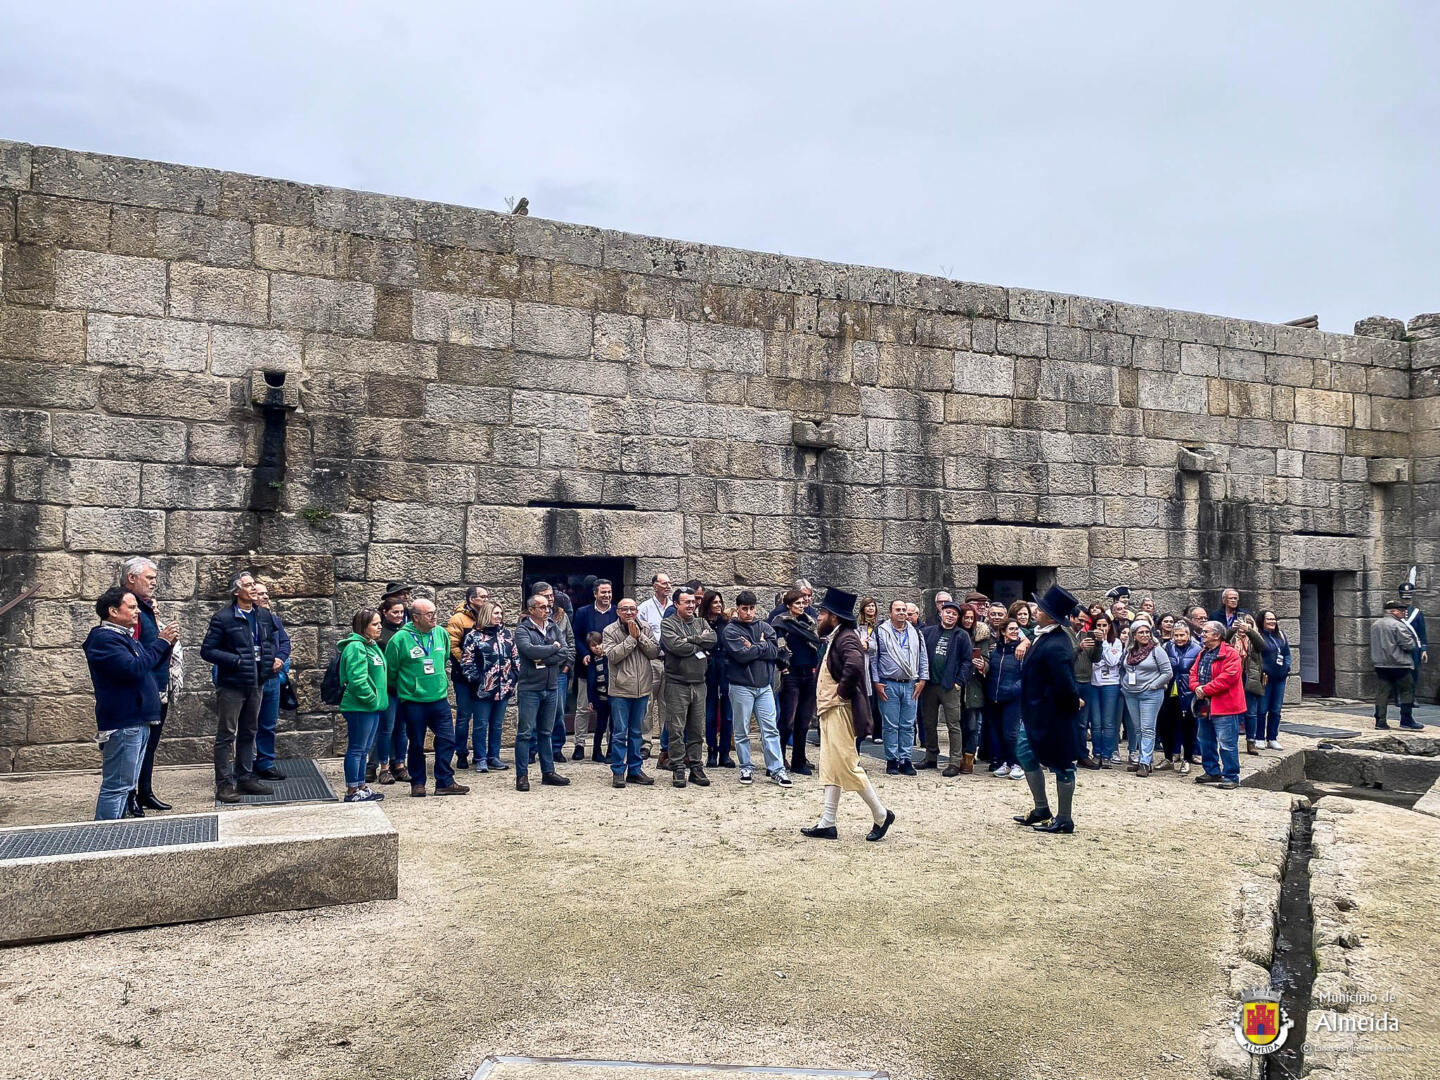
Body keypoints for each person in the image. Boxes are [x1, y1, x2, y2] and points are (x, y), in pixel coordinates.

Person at [800, 589, 896, 842]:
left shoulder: (846, 638)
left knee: (847, 765)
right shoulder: (839, 635)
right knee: (832, 766)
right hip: (832, 710)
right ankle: (827, 822)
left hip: (840, 710)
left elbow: (854, 665)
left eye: (822, 613)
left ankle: (881, 813)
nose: (818, 617)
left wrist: (841, 694)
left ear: (833, 616)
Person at [84, 586, 176, 820]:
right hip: (124, 722)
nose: (137, 612)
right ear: (113, 611)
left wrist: (167, 644)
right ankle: (105, 842)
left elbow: (150, 662)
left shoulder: (125, 638)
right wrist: (161, 642)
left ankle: (120, 839)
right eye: (132, 607)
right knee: (116, 787)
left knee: (125, 787)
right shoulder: (104, 639)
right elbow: (133, 668)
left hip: (138, 720)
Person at [1012, 585, 1084, 834]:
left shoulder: (1057, 645)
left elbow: (1065, 686)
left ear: (1050, 616)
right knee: (1024, 752)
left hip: (1053, 715)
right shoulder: (1044, 635)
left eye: (1039, 608)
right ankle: (1041, 808)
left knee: (1062, 763)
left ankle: (1065, 818)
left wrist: (1069, 708)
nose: (1035, 610)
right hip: (1036, 712)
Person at [200, 571, 277, 802]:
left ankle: (245, 778)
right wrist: (235, 660)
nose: (254, 589)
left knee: (250, 731)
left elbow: (270, 641)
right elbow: (207, 650)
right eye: (248, 585)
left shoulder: (263, 615)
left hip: (256, 681)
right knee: (227, 734)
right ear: (236, 591)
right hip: (232, 683)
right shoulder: (223, 618)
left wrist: (268, 659)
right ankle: (224, 784)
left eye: (254, 584)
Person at [384, 597, 469, 798]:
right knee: (416, 744)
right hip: (413, 702)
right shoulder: (399, 639)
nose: (434, 617)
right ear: (415, 617)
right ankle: (418, 783)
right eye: (429, 614)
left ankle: (444, 781)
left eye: (434, 612)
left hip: (439, 699)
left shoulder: (440, 633)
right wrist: (409, 687)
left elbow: (445, 657)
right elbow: (391, 671)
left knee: (448, 740)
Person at [120, 556, 179, 814]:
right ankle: (130, 796)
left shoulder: (146, 608)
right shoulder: (126, 608)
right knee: (137, 744)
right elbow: (133, 649)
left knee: (150, 744)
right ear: (131, 578)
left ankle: (145, 791)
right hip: (143, 686)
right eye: (149, 578)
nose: (154, 583)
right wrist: (163, 640)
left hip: (157, 683)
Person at [722, 591, 790, 786]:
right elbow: (741, 655)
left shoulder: (765, 627)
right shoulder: (731, 630)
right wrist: (761, 646)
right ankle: (746, 766)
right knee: (742, 729)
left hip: (763, 686)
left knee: (770, 729)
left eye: (752, 608)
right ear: (738, 609)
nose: (749, 613)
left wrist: (755, 646)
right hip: (741, 685)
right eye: (745, 609)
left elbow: (774, 651)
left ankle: (777, 768)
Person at [512, 592, 571, 789]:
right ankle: (522, 775)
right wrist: (552, 649)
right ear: (531, 610)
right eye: (542, 607)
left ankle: (548, 772)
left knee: (546, 731)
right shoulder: (523, 629)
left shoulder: (553, 627)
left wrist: (546, 655)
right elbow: (528, 651)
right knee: (525, 732)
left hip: (551, 686)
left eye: (548, 607)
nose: (547, 610)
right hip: (530, 688)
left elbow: (564, 651)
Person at [660, 587, 717, 788]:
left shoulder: (702, 622)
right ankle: (677, 767)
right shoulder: (668, 623)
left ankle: (695, 766)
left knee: (696, 728)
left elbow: (712, 640)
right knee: (676, 729)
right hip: (677, 683)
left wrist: (692, 640)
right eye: (687, 602)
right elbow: (675, 646)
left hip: (699, 684)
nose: (692, 605)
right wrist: (699, 644)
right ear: (676, 604)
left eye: (693, 602)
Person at [601, 597, 660, 787]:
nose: (629, 613)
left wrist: (640, 636)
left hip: (642, 689)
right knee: (619, 733)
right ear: (617, 611)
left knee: (637, 732)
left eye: (632, 609)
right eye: (624, 609)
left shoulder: (645, 627)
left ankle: (635, 769)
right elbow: (613, 655)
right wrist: (631, 639)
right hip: (620, 690)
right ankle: (618, 770)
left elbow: (654, 652)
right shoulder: (609, 630)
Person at [870, 599, 928, 775]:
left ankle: (906, 759)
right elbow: (873, 658)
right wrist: (876, 682)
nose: (902, 612)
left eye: (904, 610)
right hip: (888, 683)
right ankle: (891, 759)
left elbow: (923, 657)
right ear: (890, 613)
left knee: (908, 725)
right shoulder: (881, 632)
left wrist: (923, 680)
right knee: (890, 725)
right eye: (898, 610)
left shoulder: (916, 633)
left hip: (910, 684)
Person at [459, 599, 517, 772]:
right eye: (496, 613)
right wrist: (476, 679)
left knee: (497, 724)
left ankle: (494, 756)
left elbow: (516, 658)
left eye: (501, 613)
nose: (499, 616)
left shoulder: (506, 634)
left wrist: (513, 677)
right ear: (486, 614)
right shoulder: (473, 636)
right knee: (480, 724)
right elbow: (466, 661)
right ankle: (480, 757)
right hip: (482, 689)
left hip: (504, 687)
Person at [337, 609, 387, 803]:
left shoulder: (371, 645)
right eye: (375, 624)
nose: (379, 627)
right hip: (360, 707)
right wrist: (371, 698)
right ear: (362, 626)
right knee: (357, 749)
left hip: (372, 707)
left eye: (379, 623)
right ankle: (352, 790)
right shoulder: (356, 647)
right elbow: (357, 680)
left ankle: (361, 786)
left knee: (364, 749)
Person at [1190, 621, 1246, 789]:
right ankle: (1212, 771)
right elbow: (1193, 673)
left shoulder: (1231, 654)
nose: (1202, 634)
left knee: (1227, 742)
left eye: (1206, 632)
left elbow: (1228, 678)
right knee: (1205, 740)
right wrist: (1196, 687)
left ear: (1217, 635)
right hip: (1204, 705)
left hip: (1225, 706)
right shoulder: (1203, 653)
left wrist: (1204, 689)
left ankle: (1231, 776)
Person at [773, 588, 822, 775]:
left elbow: (815, 642)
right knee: (787, 720)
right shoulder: (781, 622)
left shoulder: (809, 622)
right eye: (797, 603)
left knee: (804, 720)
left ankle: (799, 761)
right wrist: (782, 666)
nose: (802, 606)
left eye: (803, 603)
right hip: (790, 673)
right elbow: (778, 646)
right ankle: (778, 759)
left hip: (807, 672)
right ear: (788, 605)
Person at [921, 601, 974, 775]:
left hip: (950, 686)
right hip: (929, 685)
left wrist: (959, 681)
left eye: (954, 613)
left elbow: (967, 661)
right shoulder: (928, 632)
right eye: (947, 612)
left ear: (957, 617)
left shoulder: (961, 635)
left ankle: (954, 761)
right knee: (929, 723)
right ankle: (930, 757)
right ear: (941, 614)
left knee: (953, 725)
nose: (950, 615)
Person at [529, 581, 577, 764]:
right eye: (546, 596)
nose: (550, 599)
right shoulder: (527, 620)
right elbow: (531, 650)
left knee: (557, 713)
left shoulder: (561, 615)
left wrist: (567, 665)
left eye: (551, 595)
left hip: (559, 672)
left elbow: (569, 643)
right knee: (534, 713)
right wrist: (549, 653)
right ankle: (532, 749)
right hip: (537, 672)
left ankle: (556, 748)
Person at [1118, 620, 1172, 777]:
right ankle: (1143, 757)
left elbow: (1167, 672)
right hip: (1131, 693)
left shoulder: (1157, 651)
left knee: (1148, 728)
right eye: (1140, 632)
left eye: (1147, 632)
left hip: (1150, 694)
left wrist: (1154, 685)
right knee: (1138, 728)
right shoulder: (1129, 651)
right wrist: (1124, 683)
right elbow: (1123, 669)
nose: (1144, 635)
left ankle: (1145, 762)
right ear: (1133, 635)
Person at [573, 578, 618, 761]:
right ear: (595, 594)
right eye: (603, 592)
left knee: (611, 712)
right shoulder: (583, 612)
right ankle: (579, 744)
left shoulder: (617, 612)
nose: (606, 595)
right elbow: (575, 636)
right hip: (588, 668)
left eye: (609, 592)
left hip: (611, 670)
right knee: (583, 708)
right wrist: (584, 653)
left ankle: (609, 747)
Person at [251, 582, 291, 783]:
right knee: (247, 724)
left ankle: (266, 763)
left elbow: (284, 642)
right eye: (260, 594)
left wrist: (280, 659)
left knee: (268, 724)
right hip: (250, 679)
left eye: (267, 593)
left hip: (272, 678)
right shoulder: (243, 620)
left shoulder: (274, 620)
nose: (266, 597)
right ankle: (246, 765)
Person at [446, 585, 489, 770]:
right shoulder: (458, 619)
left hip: (484, 674)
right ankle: (461, 752)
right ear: (471, 599)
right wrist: (467, 663)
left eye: (487, 596)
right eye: (482, 597)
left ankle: (481, 754)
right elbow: (453, 645)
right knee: (464, 715)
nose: (486, 600)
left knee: (482, 717)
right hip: (463, 675)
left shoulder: (487, 616)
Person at [369, 598, 410, 785]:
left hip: (404, 687)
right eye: (395, 612)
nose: (399, 616)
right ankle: (383, 766)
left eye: (401, 612)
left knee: (402, 729)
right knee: (386, 728)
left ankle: (399, 763)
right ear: (385, 612)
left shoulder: (406, 631)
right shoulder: (380, 633)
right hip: (387, 688)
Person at [1371, 599, 1424, 730]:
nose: (1404, 613)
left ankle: (1380, 721)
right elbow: (1408, 645)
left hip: (1380, 664)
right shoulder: (1398, 625)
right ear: (1393, 611)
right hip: (1399, 664)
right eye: (1401, 611)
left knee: (1382, 693)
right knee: (1407, 690)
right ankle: (1406, 720)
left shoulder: (1375, 624)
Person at [984, 619, 1025, 779]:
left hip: (1012, 698)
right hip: (994, 697)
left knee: (1011, 733)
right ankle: (1006, 763)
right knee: (998, 733)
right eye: (1012, 629)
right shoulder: (995, 651)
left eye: (1017, 629)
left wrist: (1014, 689)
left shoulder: (1021, 651)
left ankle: (1018, 764)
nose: (1015, 631)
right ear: (1003, 631)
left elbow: (1027, 676)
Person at [637, 572, 673, 756]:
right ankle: (646, 743)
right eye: (664, 583)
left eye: (669, 583)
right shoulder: (644, 608)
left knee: (667, 703)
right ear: (654, 586)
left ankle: (666, 744)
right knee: (648, 703)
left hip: (671, 661)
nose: (667, 586)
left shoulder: (675, 607)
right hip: (651, 661)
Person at [1160, 622, 1201, 773]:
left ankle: (1187, 759)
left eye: (1182, 635)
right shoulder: (1167, 647)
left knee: (1188, 727)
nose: (1179, 638)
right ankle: (1168, 758)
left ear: (1188, 635)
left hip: (1188, 692)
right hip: (1169, 691)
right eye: (1176, 635)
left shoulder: (1197, 648)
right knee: (1165, 725)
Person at [701, 591, 735, 768]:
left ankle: (725, 753)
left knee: (728, 714)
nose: (718, 605)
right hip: (708, 670)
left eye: (720, 602)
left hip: (725, 669)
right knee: (711, 713)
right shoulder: (701, 623)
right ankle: (711, 751)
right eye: (714, 602)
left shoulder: (726, 623)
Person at [1227, 613, 1266, 755]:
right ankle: (1231, 742)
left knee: (1251, 712)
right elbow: (1223, 641)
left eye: (1247, 623)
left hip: (1250, 677)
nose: (1243, 625)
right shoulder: (1232, 637)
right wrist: (1232, 629)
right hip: (1233, 676)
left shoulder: (1254, 638)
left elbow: (1262, 646)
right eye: (1241, 623)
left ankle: (1251, 741)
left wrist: (1249, 631)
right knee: (1232, 711)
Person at [1088, 615, 1123, 768]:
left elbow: (1112, 661)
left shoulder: (1116, 642)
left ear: (1109, 626)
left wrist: (1104, 643)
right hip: (1094, 684)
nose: (1101, 628)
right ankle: (1096, 753)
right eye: (1099, 625)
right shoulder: (1090, 641)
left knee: (1108, 722)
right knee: (1095, 722)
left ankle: (1107, 755)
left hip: (1111, 684)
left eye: (1104, 625)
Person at [1067, 610, 1099, 769]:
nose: (1082, 624)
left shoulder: (1085, 635)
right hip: (1069, 681)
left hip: (1086, 682)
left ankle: (1082, 755)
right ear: (1071, 617)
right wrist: (1078, 648)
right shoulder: (1064, 634)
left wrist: (1098, 643)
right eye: (1080, 620)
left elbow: (1096, 659)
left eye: (1085, 621)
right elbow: (1064, 658)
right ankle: (1065, 754)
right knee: (1065, 720)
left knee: (1082, 723)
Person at [1256, 610, 1292, 750]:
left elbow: (1286, 654)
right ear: (1262, 621)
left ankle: (1272, 737)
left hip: (1280, 678)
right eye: (1269, 619)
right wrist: (1263, 671)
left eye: (1274, 619)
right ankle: (1259, 737)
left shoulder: (1281, 635)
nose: (1272, 622)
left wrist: (1286, 668)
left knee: (1276, 709)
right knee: (1262, 709)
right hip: (1265, 678)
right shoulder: (1258, 636)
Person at [957, 606, 987, 773]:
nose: (968, 621)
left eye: (971, 618)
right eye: (965, 617)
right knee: (958, 724)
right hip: (957, 684)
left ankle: (969, 757)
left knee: (973, 725)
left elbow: (988, 659)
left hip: (974, 684)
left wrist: (983, 664)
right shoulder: (955, 634)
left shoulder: (982, 636)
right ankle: (959, 756)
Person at [855, 596, 882, 744]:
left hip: (876, 665)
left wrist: (868, 646)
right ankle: (865, 729)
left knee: (877, 701)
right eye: (868, 606)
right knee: (865, 698)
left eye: (873, 605)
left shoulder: (880, 625)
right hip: (863, 664)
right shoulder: (858, 625)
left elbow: (878, 645)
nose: (871, 608)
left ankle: (878, 732)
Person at [582, 632, 611, 763]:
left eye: (600, 644)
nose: (597, 647)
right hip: (600, 698)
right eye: (594, 646)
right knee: (600, 726)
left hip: (613, 696)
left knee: (615, 725)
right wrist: (591, 700)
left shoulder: (609, 657)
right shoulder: (591, 661)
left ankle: (611, 751)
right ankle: (596, 751)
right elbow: (590, 683)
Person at [1399, 580, 1429, 674]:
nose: (1407, 601)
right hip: (1399, 649)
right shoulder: (1396, 612)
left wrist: (1423, 650)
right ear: (1400, 597)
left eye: (1408, 599)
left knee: (1413, 676)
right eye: (1405, 598)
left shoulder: (1417, 613)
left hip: (1414, 649)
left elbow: (1422, 633)